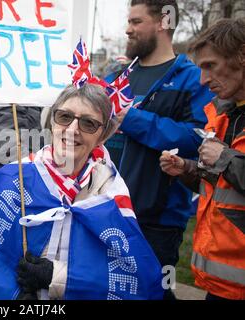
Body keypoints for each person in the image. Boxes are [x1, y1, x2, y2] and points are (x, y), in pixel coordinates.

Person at [0, 84, 163, 300]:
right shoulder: (15, 177)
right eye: (64, 117)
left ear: (102, 135)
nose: (72, 129)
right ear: (51, 121)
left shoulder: (110, 192)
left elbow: (130, 277)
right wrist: (11, 291)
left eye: (88, 123)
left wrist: (56, 277)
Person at [104, 0, 214, 299]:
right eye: (128, 21)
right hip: (107, 209)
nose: (127, 29)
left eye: (136, 22)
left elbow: (200, 137)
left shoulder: (192, 78)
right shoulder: (117, 76)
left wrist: (135, 119)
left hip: (158, 221)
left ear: (164, 22)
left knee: (155, 292)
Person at [160, 18, 245, 300]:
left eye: (210, 65)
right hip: (219, 285)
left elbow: (229, 165)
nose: (203, 80)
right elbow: (222, 188)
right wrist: (187, 169)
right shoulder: (222, 115)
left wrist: (224, 158)